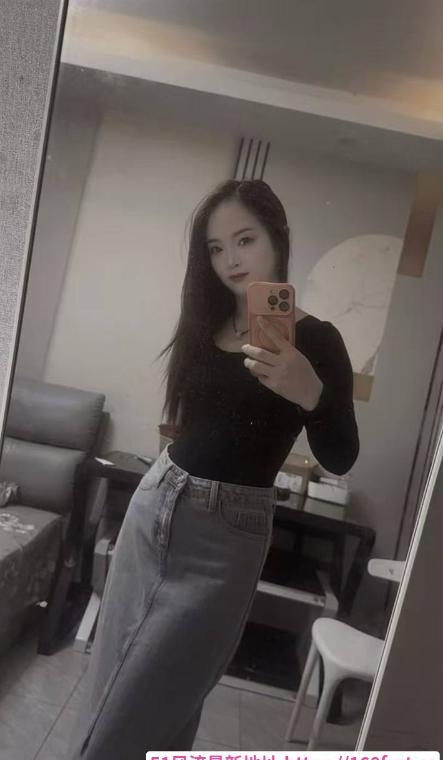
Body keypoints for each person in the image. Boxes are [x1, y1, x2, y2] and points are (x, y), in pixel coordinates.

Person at [66, 179, 359, 759]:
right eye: (216, 248)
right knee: (115, 684)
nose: (230, 260)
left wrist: (312, 393)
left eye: (245, 240)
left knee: (159, 700)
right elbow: (191, 423)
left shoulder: (319, 340)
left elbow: (340, 455)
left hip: (226, 539)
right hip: (157, 502)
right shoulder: (207, 322)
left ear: (278, 237)